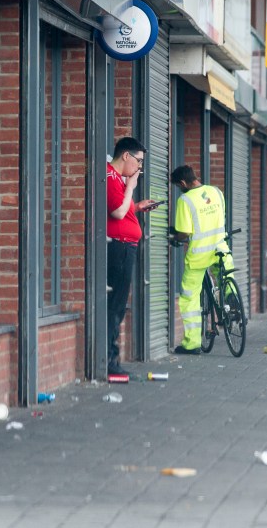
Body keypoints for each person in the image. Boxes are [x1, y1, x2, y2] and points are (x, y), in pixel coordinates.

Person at [106, 137, 156, 376]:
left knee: (117, 304)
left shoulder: (117, 178)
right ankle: (110, 363)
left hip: (126, 246)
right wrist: (130, 188)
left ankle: (111, 361)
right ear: (125, 155)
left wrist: (137, 206)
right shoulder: (110, 176)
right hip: (119, 247)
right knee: (115, 305)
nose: (139, 168)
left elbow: (124, 209)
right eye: (138, 161)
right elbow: (116, 212)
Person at [169, 165, 232, 355]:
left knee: (189, 297)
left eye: (178, 186)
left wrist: (175, 238)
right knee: (226, 277)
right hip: (221, 248)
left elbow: (184, 233)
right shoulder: (216, 191)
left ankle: (192, 343)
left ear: (182, 183)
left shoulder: (185, 199)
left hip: (199, 256)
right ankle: (232, 304)